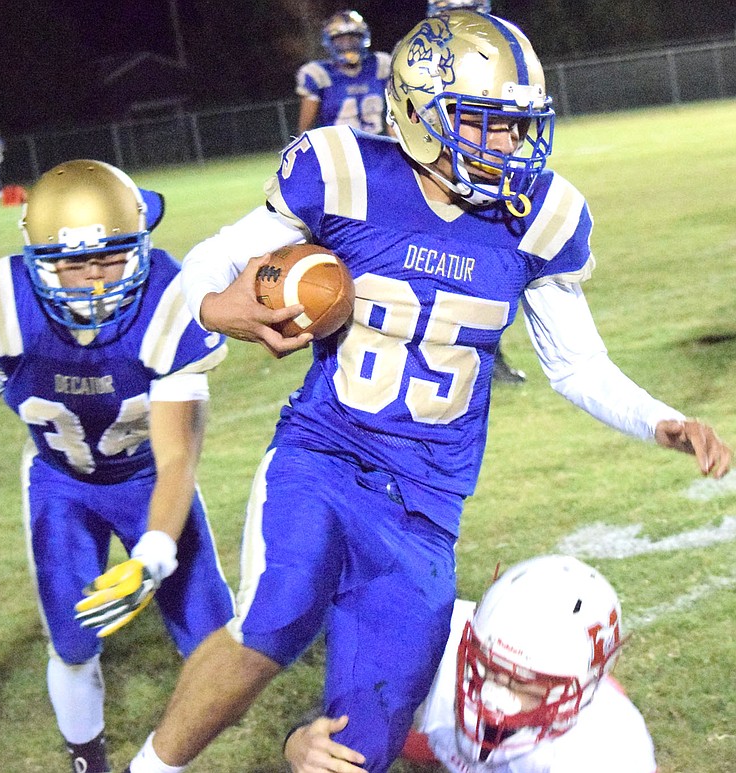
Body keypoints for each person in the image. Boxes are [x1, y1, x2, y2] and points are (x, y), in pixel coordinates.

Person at [95, 11, 730, 773]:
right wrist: (213, 305)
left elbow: (575, 364)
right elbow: (213, 258)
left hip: (427, 504)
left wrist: (662, 420)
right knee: (279, 615)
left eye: (519, 127)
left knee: (360, 748)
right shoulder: (345, 172)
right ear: (423, 114)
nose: (510, 146)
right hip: (324, 455)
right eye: (488, 124)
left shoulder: (538, 217)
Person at [0, 159, 234, 773]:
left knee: (216, 644)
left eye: (109, 259)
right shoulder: (3, 304)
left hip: (150, 478)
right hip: (62, 485)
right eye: (73, 263)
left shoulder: (171, 299)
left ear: (142, 246)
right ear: (37, 259)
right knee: (73, 644)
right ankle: (86, 758)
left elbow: (178, 454)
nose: (94, 281)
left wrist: (153, 552)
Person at [284, 555, 658, 772]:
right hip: (436, 740)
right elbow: (326, 728)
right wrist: (300, 744)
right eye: (490, 669)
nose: (494, 696)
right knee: (367, 736)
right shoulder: (435, 644)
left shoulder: (608, 751)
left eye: (522, 684)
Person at [427, 0, 525, 385]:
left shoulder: (502, 50)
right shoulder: (421, 57)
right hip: (429, 168)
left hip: (480, 172)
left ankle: (486, 356)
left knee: (482, 269)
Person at [296, 10, 391, 136]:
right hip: (337, 149)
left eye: (353, 38)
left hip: (376, 144)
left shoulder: (381, 65)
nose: (347, 45)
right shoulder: (318, 74)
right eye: (340, 40)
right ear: (330, 42)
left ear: (363, 38)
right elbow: (305, 130)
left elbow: (395, 116)